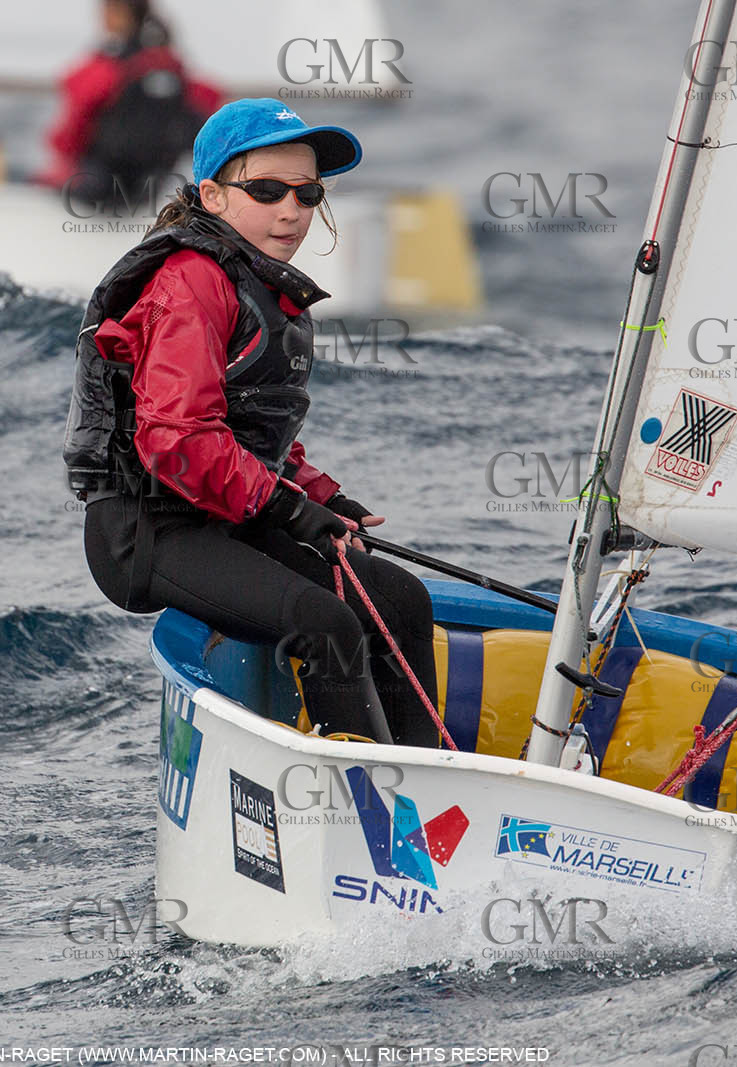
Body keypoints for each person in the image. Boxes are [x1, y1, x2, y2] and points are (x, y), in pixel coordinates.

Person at [63, 98, 440, 747]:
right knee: (327, 623)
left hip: (222, 516)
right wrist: (290, 511)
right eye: (266, 190)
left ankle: (430, 797)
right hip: (145, 529)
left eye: (307, 191)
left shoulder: (260, 285)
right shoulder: (190, 281)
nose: (291, 209)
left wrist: (322, 497)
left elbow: (251, 433)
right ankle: (358, 812)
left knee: (401, 600)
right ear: (212, 194)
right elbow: (176, 440)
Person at [36, 0, 222, 208]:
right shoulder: (168, 62)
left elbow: (74, 119)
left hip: (102, 181)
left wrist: (62, 158)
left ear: (120, 13)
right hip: (156, 181)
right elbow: (208, 99)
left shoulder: (109, 66)